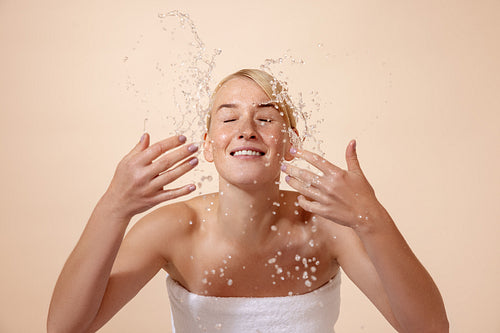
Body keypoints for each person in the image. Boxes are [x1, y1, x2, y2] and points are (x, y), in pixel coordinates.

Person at [48, 69, 449, 332]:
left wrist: (371, 219)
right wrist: (112, 208)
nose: (246, 130)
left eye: (266, 118)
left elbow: (429, 328)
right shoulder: (172, 228)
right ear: (208, 145)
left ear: (289, 142)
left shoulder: (328, 227)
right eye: (227, 118)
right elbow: (65, 328)